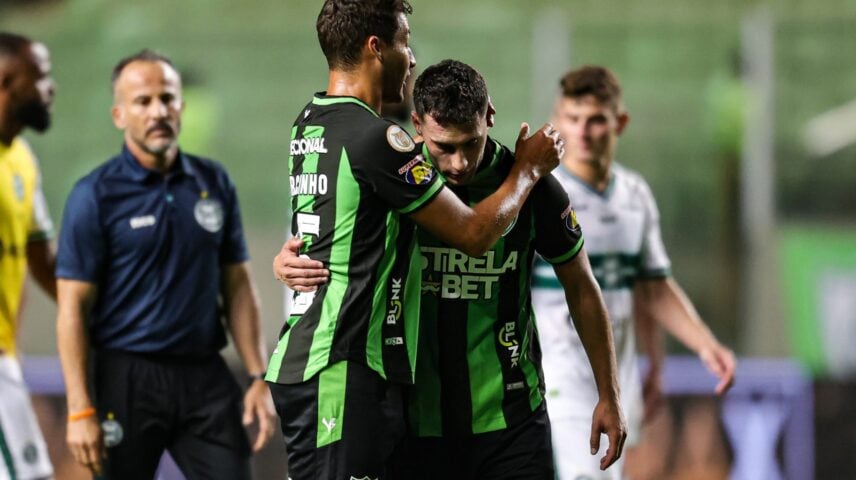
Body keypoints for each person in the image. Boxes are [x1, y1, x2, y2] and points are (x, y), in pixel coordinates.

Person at [276, 59, 627, 479]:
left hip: (510, 418)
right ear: (418, 126)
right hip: (415, 423)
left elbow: (582, 286)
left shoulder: (535, 190)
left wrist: (609, 393)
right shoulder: (397, 179)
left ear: (490, 117)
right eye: (446, 148)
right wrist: (288, 261)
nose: (459, 164)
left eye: (471, 144)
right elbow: (337, 240)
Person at [55, 49, 275, 479]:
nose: (158, 111)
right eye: (143, 101)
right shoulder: (94, 194)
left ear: (182, 106)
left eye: (167, 98)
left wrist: (257, 374)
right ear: (119, 114)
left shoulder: (214, 182)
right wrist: (80, 410)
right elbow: (71, 310)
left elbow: (237, 285)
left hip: (204, 375)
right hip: (125, 378)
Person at [531, 65, 737, 480]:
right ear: (557, 121)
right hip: (557, 374)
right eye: (572, 119)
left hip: (616, 378)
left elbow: (652, 288)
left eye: (595, 120)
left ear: (619, 122)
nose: (583, 132)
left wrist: (700, 345)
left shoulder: (634, 194)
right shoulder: (541, 194)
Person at [0, 31, 56, 480]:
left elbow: (42, 261)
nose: (50, 87)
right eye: (40, 76)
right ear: (6, 81)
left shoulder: (22, 159)